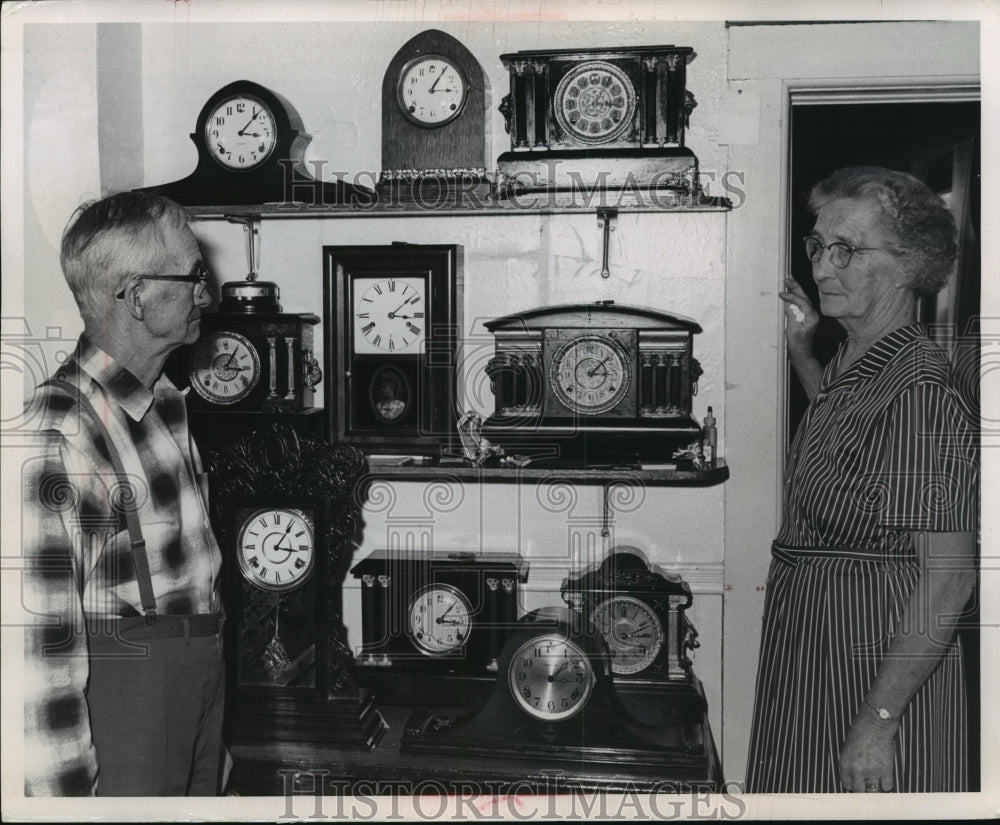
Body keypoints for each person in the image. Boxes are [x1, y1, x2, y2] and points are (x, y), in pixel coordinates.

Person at [746, 166, 978, 793]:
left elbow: (950, 578)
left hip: (869, 667)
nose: (822, 267)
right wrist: (804, 352)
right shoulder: (862, 359)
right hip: (817, 652)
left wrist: (878, 723)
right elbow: (852, 446)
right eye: (818, 246)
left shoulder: (919, 391)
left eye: (845, 249)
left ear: (910, 263)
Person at [21, 192, 226, 795]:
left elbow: (194, 591)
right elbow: (40, 659)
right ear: (137, 295)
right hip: (122, 740)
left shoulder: (167, 404)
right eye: (193, 276)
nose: (206, 294)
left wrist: (209, 743)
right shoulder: (58, 435)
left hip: (195, 712)